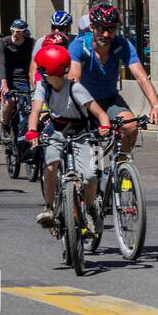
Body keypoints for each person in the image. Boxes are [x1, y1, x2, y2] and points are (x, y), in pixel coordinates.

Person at [28, 43, 112, 232]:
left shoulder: (76, 89)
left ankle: (90, 210)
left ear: (49, 71)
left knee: (90, 176)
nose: (40, 74)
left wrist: (105, 126)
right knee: (51, 165)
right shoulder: (44, 87)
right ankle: (49, 208)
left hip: (81, 132)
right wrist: (32, 130)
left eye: (42, 70)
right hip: (55, 131)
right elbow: (35, 110)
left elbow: (100, 113)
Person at [66, 2, 158, 152]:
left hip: (109, 99)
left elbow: (141, 77)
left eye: (111, 29)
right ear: (92, 27)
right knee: (89, 158)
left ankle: (121, 165)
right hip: (84, 102)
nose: (106, 34)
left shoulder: (122, 45)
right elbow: (74, 80)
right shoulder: (79, 46)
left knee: (131, 126)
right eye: (102, 28)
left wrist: (155, 105)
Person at [0, 20, 36, 143]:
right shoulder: (4, 42)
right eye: (13, 30)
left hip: (24, 78)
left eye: (18, 31)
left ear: (24, 32)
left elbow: (35, 62)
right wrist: (3, 82)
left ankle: (24, 134)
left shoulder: (31, 43)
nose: (15, 33)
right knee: (10, 102)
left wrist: (35, 82)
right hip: (8, 78)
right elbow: (1, 62)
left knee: (27, 108)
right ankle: (5, 126)